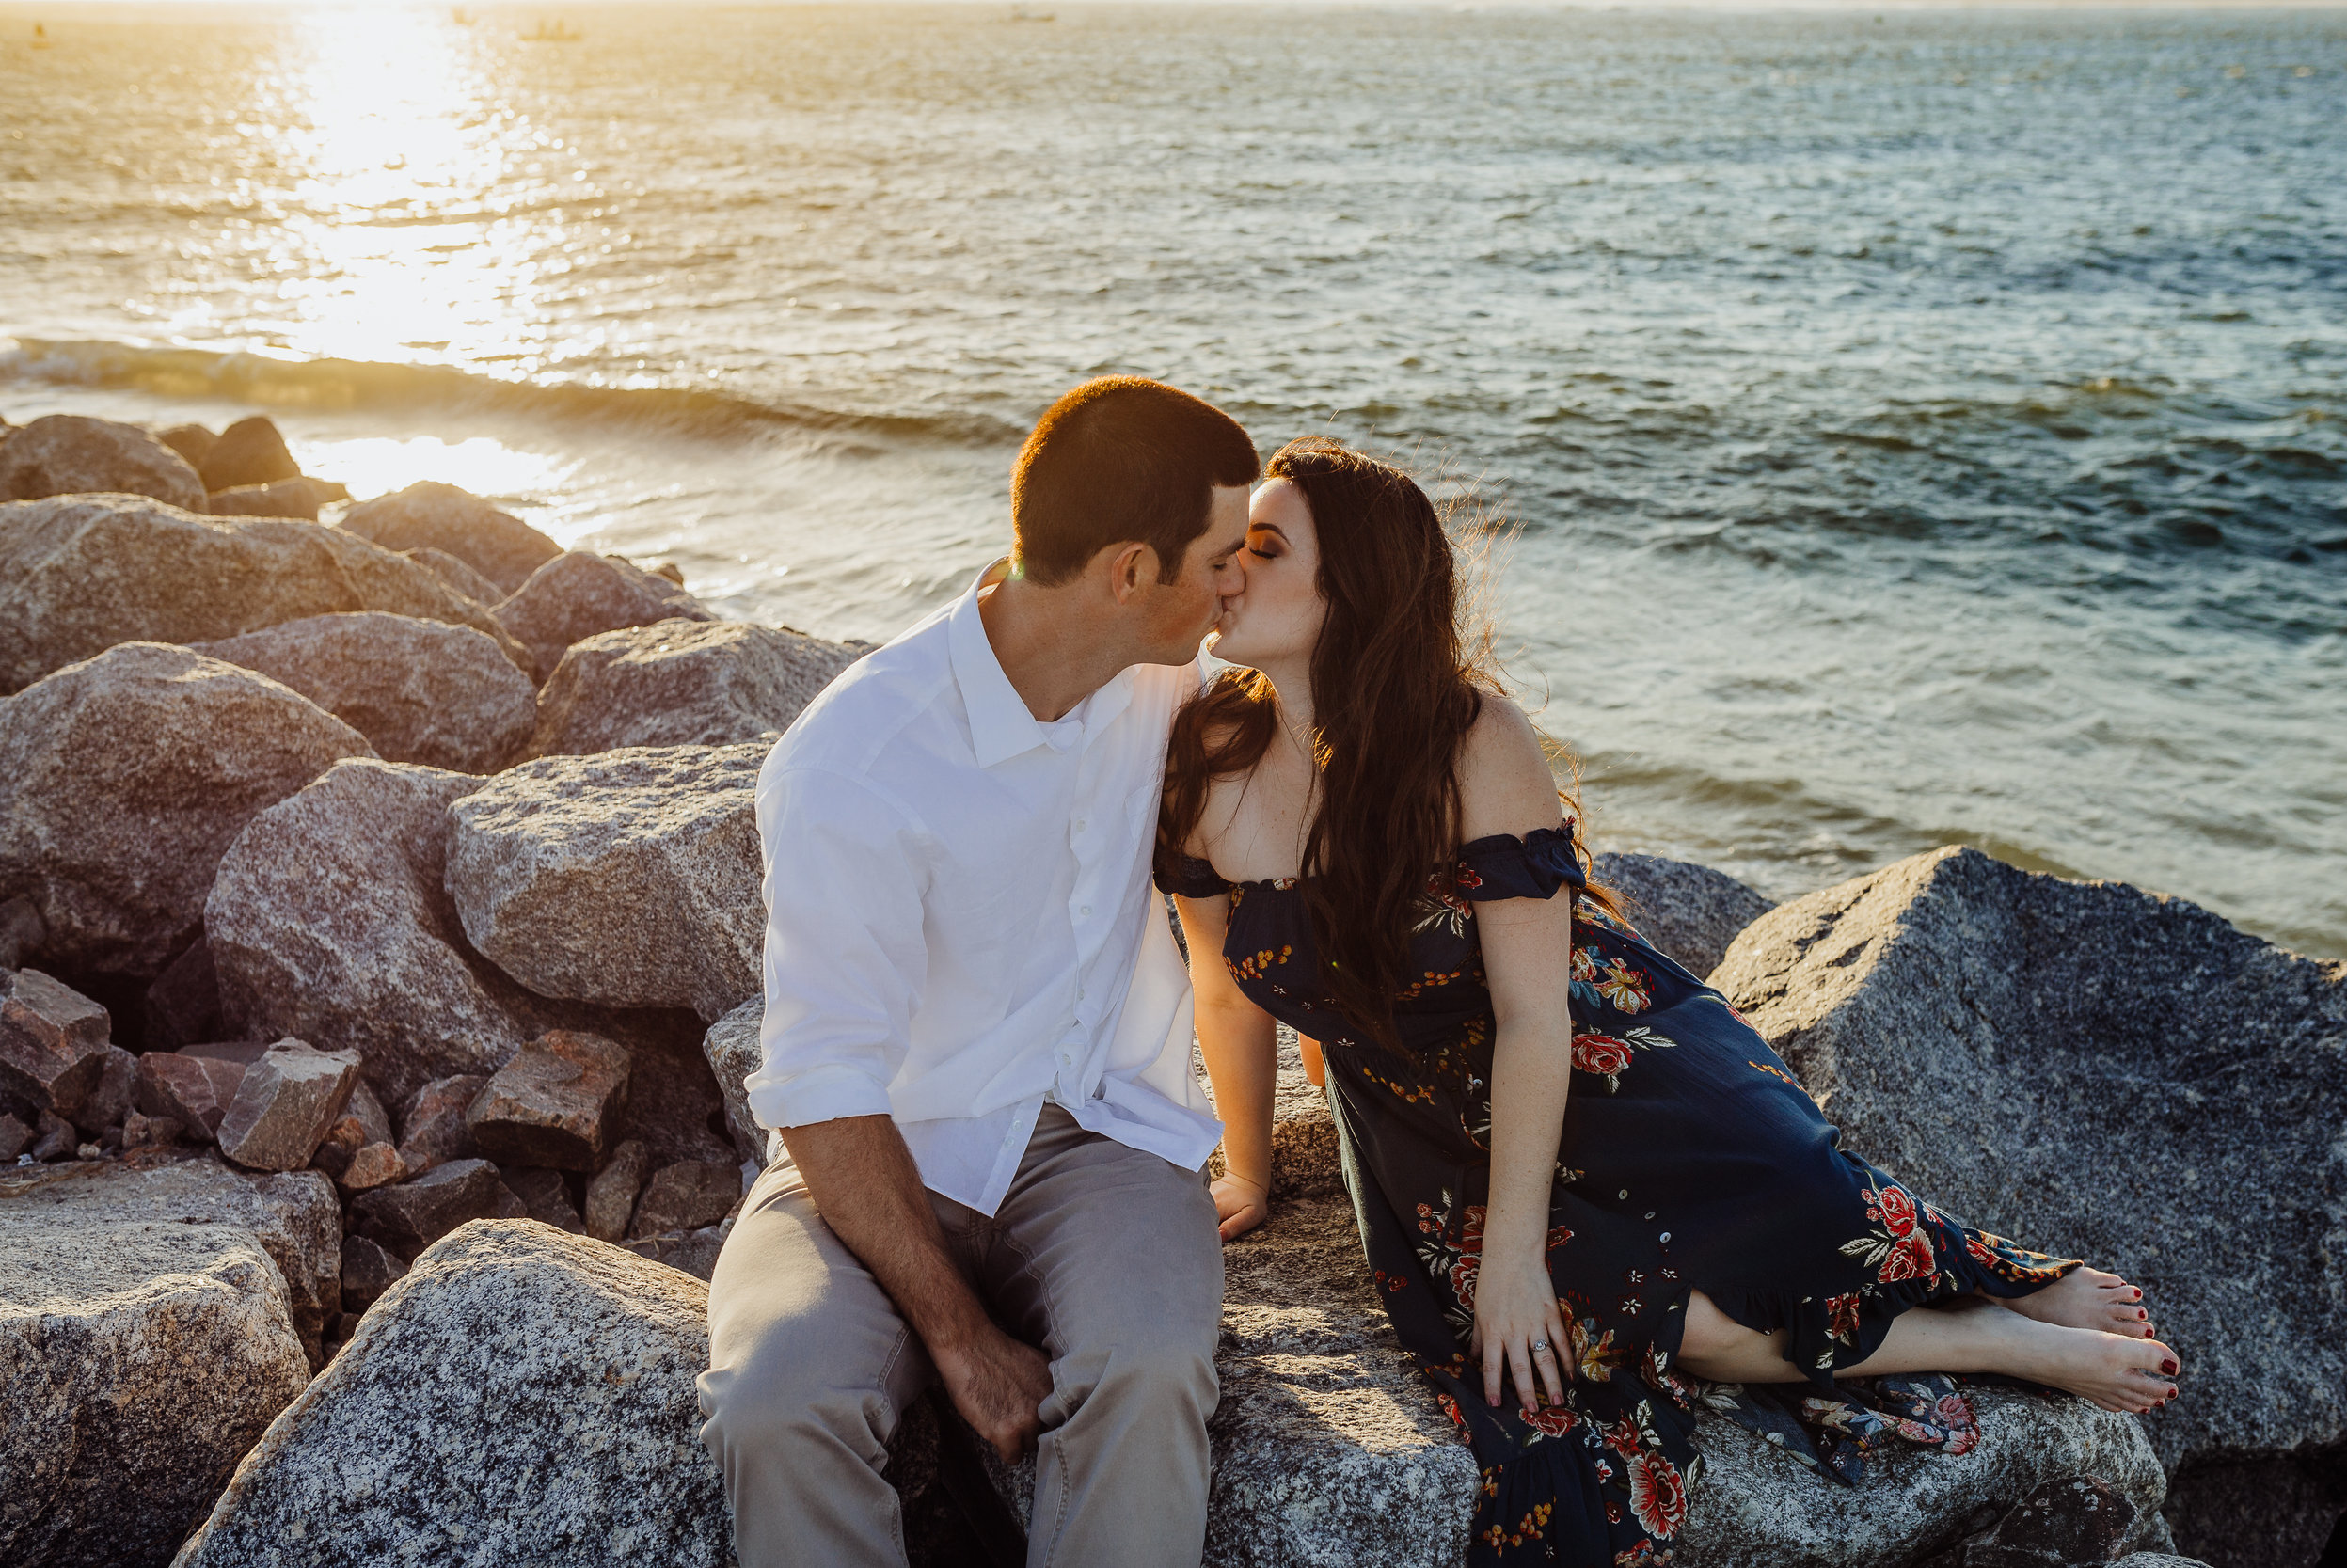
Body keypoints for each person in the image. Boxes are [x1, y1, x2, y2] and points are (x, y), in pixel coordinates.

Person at [1160, 436, 2181, 1566]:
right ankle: (1988, 1338)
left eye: (1263, 545)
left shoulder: (1471, 741)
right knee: (1640, 1328)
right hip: (1417, 1111)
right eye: (1229, 543)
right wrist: (1248, 1167)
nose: (1226, 568)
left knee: (1801, 1203)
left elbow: (1537, 1015)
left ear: (1354, 587)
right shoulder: (1207, 759)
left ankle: (1990, 1284)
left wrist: (1509, 1252)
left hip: (1593, 1041)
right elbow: (1222, 982)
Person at [699, 376, 1259, 1568]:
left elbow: (1322, 714)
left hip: (1102, 1139)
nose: (1235, 584)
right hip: (880, 1147)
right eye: (1220, 556)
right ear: (1126, 572)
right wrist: (959, 1339)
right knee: (777, 1401)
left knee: (1151, 1370)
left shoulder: (1167, 680)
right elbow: (823, 1081)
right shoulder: (856, 762)